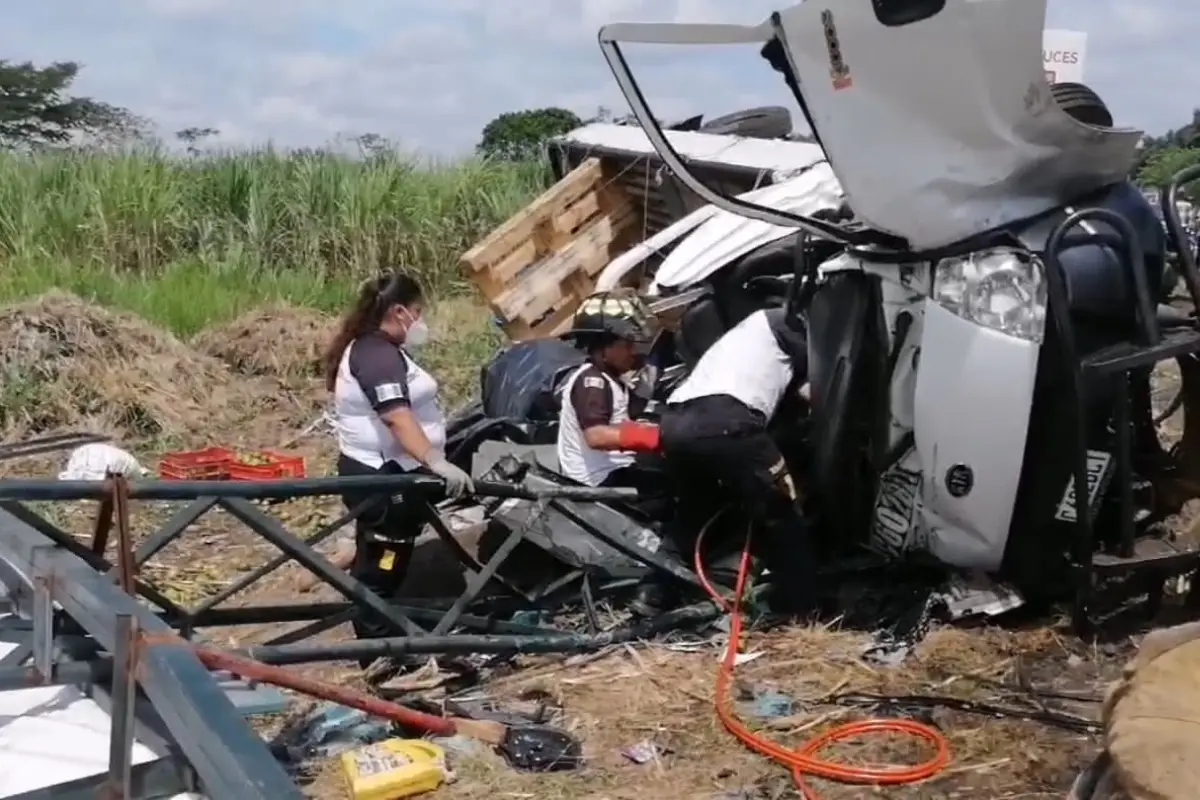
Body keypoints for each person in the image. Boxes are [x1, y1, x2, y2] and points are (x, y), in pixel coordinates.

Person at [320, 271, 475, 662]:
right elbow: (397, 418)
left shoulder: (382, 348)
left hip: (395, 475)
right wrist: (436, 462)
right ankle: (379, 657)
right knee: (381, 572)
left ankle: (388, 645)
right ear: (399, 311)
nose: (421, 322)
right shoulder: (375, 355)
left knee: (386, 563)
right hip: (383, 480)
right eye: (418, 313)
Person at [629, 306, 818, 618]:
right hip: (725, 419)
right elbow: (818, 389)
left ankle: (653, 591)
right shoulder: (792, 325)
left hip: (675, 421)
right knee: (782, 512)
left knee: (692, 513)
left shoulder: (746, 332)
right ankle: (803, 609)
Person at [556, 291, 663, 493]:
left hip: (614, 469)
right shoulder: (592, 382)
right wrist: (655, 436)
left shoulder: (612, 379)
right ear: (603, 345)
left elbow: (627, 412)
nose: (634, 351)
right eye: (628, 344)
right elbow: (596, 436)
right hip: (598, 482)